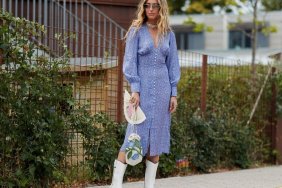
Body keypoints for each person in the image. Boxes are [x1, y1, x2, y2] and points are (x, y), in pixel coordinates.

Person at [110, 0, 180, 187]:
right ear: (143, 8)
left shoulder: (169, 35)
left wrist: (174, 93)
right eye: (147, 5)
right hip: (142, 93)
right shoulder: (136, 31)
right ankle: (115, 185)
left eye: (154, 5)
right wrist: (136, 89)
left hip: (164, 92)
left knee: (156, 140)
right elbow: (130, 62)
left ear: (161, 8)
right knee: (133, 137)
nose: (150, 9)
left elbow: (173, 65)